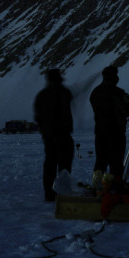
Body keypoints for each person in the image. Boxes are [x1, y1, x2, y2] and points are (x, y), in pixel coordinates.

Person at [33, 68, 74, 202]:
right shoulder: (63, 92)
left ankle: (49, 193)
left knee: (50, 163)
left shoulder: (41, 95)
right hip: (62, 134)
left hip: (47, 135)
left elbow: (38, 117)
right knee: (64, 164)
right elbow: (66, 113)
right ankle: (63, 192)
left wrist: (45, 130)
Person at [90, 65, 129, 186]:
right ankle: (114, 189)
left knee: (100, 162)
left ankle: (96, 187)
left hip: (100, 132)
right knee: (116, 163)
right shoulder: (118, 93)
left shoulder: (95, 92)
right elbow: (127, 110)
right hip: (116, 133)